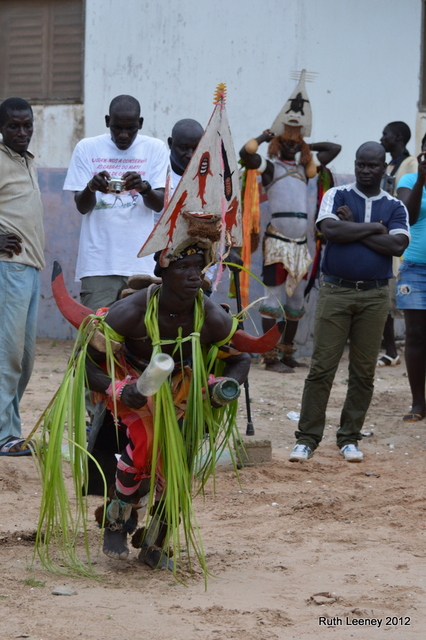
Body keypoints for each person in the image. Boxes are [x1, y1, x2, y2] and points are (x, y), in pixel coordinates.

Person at [289, 142, 410, 463]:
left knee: (362, 371)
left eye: (373, 166)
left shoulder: (395, 205)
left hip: (374, 295)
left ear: (384, 168)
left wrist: (352, 226)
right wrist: (373, 228)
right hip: (336, 292)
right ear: (355, 165)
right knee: (322, 367)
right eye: (361, 165)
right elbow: (329, 230)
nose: (366, 171)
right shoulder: (337, 195)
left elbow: (397, 245)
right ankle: (307, 438)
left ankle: (349, 437)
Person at [239, 129, 340, 372]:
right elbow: (246, 153)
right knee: (272, 300)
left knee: (295, 302)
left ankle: (287, 353)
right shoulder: (270, 167)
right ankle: (270, 358)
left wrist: (306, 144)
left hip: (299, 246)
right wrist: (265, 136)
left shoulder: (306, 169)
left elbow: (334, 149)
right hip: (277, 241)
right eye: (286, 142)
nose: (292, 147)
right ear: (277, 144)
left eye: (296, 144)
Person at [63, 94, 169, 310]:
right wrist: (91, 187)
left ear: (140, 123)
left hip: (141, 265)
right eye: (117, 128)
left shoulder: (155, 148)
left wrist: (144, 187)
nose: (123, 135)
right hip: (98, 265)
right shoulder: (86, 148)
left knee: (141, 337)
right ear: (107, 121)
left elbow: (159, 204)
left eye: (131, 128)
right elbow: (82, 206)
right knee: (96, 336)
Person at [0, 98, 45, 457]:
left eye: (27, 125)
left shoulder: (26, 160)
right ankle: (4, 435)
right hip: (7, 269)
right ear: (1, 127)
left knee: (25, 358)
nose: (22, 132)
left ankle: (9, 429)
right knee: (7, 355)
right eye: (14, 126)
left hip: (30, 268)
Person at [378, 122, 418, 367]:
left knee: (403, 300)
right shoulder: (390, 165)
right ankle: (391, 350)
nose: (382, 138)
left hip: (402, 239)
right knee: (386, 299)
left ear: (399, 137)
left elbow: (405, 203)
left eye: (386, 134)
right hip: (386, 236)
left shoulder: (410, 164)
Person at [396, 134, 426, 422]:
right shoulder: (408, 180)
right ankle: (419, 402)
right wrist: (421, 181)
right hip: (415, 267)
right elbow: (409, 215)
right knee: (415, 334)